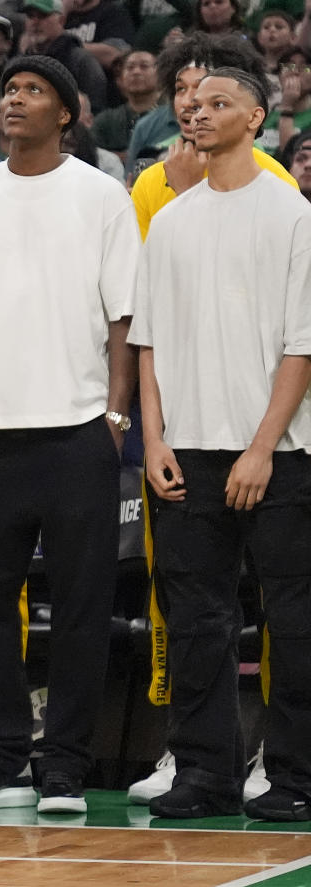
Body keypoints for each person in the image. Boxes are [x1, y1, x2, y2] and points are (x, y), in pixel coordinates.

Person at [0, 54, 140, 813]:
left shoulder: (102, 196)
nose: (14, 99)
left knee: (83, 609)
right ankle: (1, 754)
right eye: (9, 89)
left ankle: (65, 767)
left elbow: (124, 318)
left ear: (67, 113)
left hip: (81, 431)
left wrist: (116, 417)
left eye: (33, 91)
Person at [130, 68, 311, 822]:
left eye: (216, 104)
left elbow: (301, 348)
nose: (196, 114)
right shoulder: (170, 218)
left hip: (279, 451)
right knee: (196, 619)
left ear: (258, 119)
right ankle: (204, 772)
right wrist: (153, 440)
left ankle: (296, 775)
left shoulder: (293, 214)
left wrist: (262, 447)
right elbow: (146, 343)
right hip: (187, 452)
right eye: (192, 105)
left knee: (294, 619)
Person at [129, 33, 297, 238]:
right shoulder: (150, 180)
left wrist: (188, 193)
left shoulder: (274, 180)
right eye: (180, 89)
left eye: (203, 88)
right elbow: (146, 264)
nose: (189, 102)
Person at [21, 0, 108, 112]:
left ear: (61, 20)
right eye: (30, 16)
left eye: (43, 16)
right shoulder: (19, 63)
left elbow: (95, 108)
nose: (35, 22)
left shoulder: (81, 61)